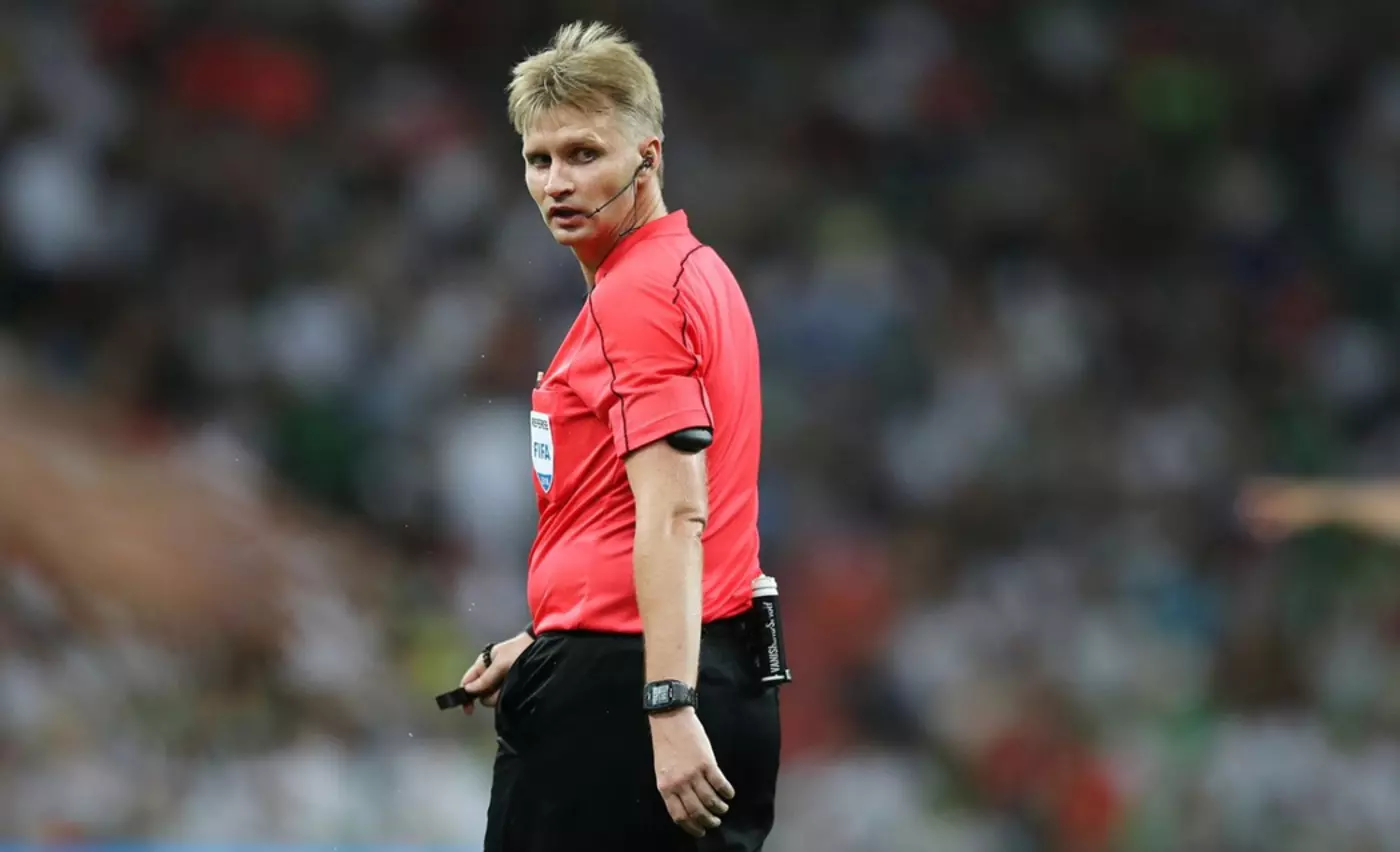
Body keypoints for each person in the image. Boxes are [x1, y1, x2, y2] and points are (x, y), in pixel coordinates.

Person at [454, 21, 782, 851]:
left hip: (637, 692)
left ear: (648, 156)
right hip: (711, 662)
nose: (558, 182)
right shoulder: (698, 273)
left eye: (584, 154)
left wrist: (665, 704)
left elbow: (675, 512)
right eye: (539, 159)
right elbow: (631, 508)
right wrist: (554, 634)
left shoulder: (635, 296)